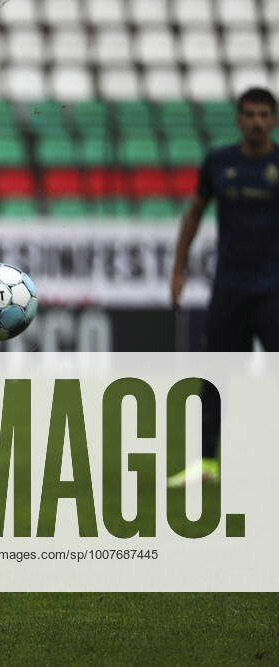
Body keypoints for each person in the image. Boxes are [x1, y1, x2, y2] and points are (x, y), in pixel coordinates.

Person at [169, 87, 279, 487]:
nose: (256, 122)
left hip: (273, 290)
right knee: (215, 376)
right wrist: (179, 269)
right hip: (230, 288)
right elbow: (194, 213)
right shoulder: (219, 162)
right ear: (238, 119)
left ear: (274, 120)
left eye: (264, 115)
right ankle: (206, 464)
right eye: (249, 114)